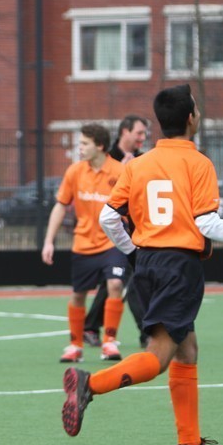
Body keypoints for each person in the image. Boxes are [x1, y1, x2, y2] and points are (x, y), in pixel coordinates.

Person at [60, 84, 223, 445]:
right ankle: (89, 384)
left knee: (187, 348)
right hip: (179, 268)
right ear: (191, 118)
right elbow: (206, 223)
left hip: (147, 264)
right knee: (159, 356)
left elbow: (109, 218)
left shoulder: (137, 164)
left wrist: (133, 252)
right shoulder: (198, 163)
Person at [42, 123, 128, 364]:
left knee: (115, 284)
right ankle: (75, 345)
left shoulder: (120, 171)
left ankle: (109, 342)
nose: (79, 148)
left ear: (99, 146)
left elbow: (133, 206)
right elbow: (61, 205)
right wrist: (48, 241)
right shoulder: (75, 171)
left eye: (84, 144)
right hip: (83, 244)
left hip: (113, 242)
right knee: (78, 295)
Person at [84, 114, 150, 348]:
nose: (143, 137)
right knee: (125, 281)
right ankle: (147, 333)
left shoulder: (143, 160)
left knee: (116, 281)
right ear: (125, 132)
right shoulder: (106, 157)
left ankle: (91, 327)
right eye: (139, 133)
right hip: (110, 230)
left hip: (133, 231)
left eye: (144, 133)